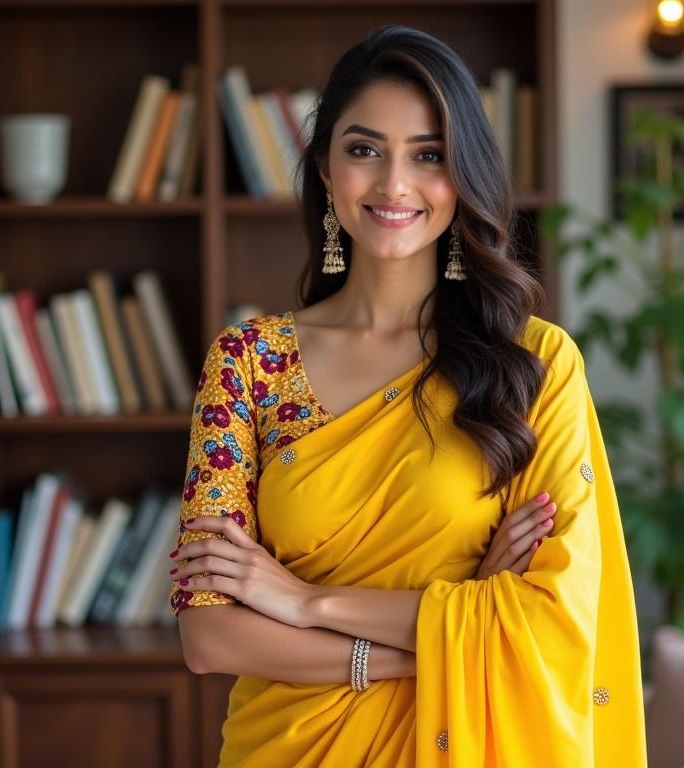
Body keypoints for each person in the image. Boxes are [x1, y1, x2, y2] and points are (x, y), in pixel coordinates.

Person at [167, 25, 646, 767]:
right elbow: (209, 636)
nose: (394, 184)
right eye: (364, 150)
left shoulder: (532, 366)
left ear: (464, 175)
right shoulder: (247, 364)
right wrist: (445, 634)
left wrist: (302, 602)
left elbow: (556, 618)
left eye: (428, 155)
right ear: (326, 169)